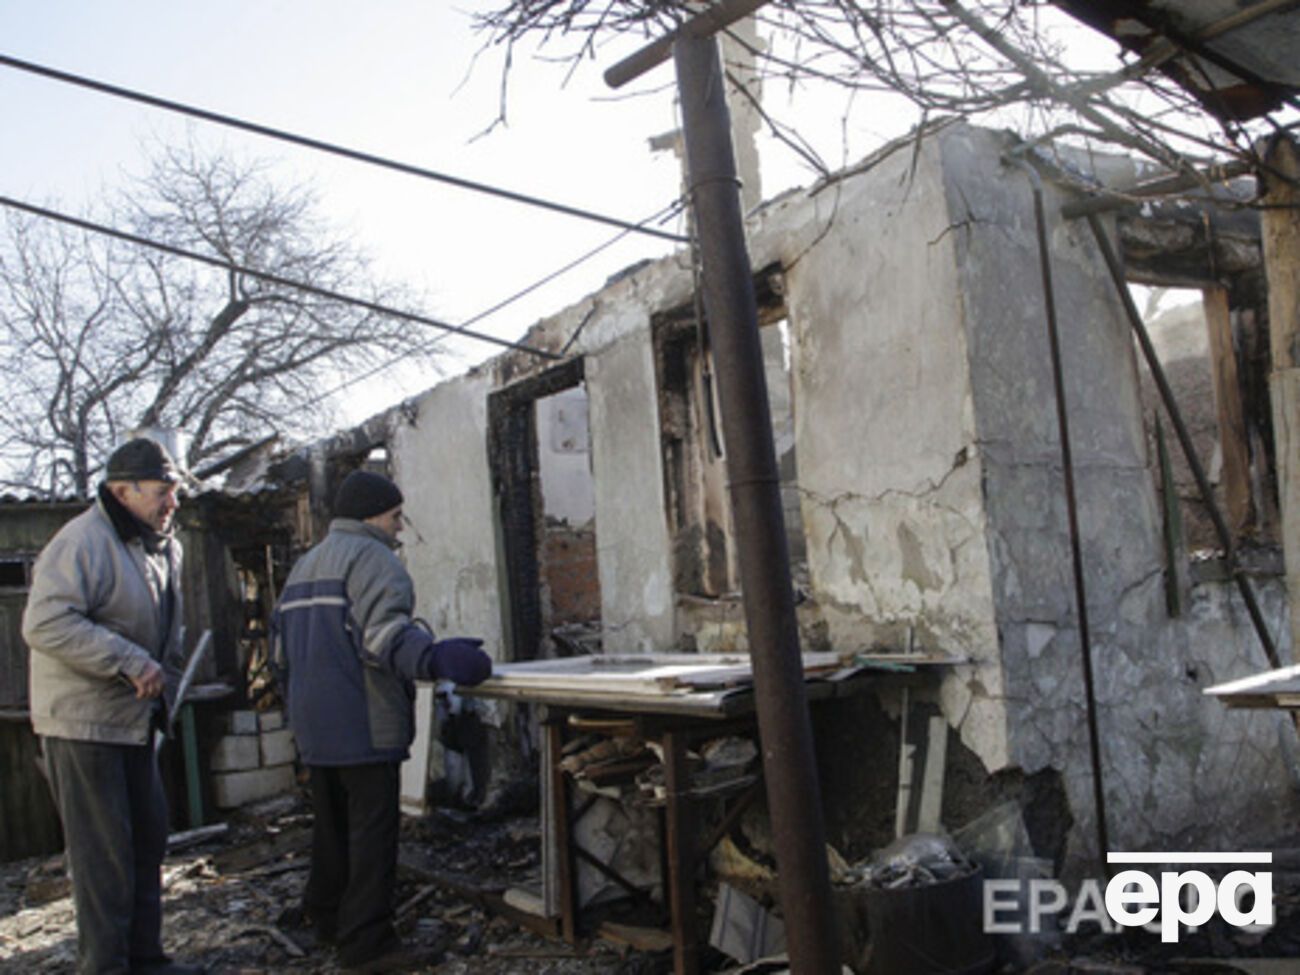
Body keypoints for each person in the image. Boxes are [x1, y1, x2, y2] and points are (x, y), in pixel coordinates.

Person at [272, 469, 492, 972]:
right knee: (372, 839)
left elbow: (280, 654)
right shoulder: (376, 561)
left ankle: (327, 920)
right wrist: (435, 659)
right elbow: (383, 637)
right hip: (365, 725)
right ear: (372, 515)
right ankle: (367, 945)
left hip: (315, 729)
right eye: (396, 516)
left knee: (332, 831)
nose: (398, 527)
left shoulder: (304, 567)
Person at [22, 437, 204, 975]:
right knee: (104, 858)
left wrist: (163, 678)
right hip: (84, 722)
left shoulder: (164, 543)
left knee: (148, 842)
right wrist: (126, 659)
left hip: (133, 721)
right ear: (122, 491)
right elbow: (45, 622)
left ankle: (145, 959)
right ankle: (106, 966)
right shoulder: (82, 541)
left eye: (175, 491)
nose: (172, 502)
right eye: (162, 491)